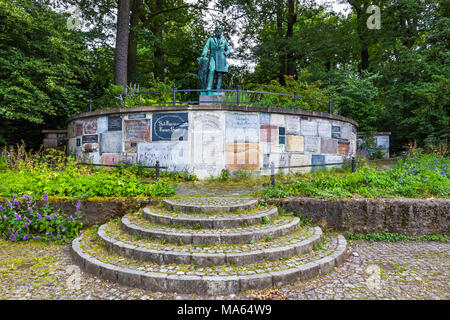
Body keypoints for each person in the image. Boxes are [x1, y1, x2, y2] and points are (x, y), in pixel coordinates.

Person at [200, 26, 230, 92]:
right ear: (215, 31)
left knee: (219, 73)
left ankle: (218, 89)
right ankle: (208, 87)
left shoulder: (224, 41)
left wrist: (226, 53)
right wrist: (203, 54)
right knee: (211, 69)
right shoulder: (210, 39)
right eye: (217, 30)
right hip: (213, 56)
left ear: (221, 32)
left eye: (220, 30)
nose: (218, 32)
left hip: (221, 58)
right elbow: (206, 46)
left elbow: (228, 49)